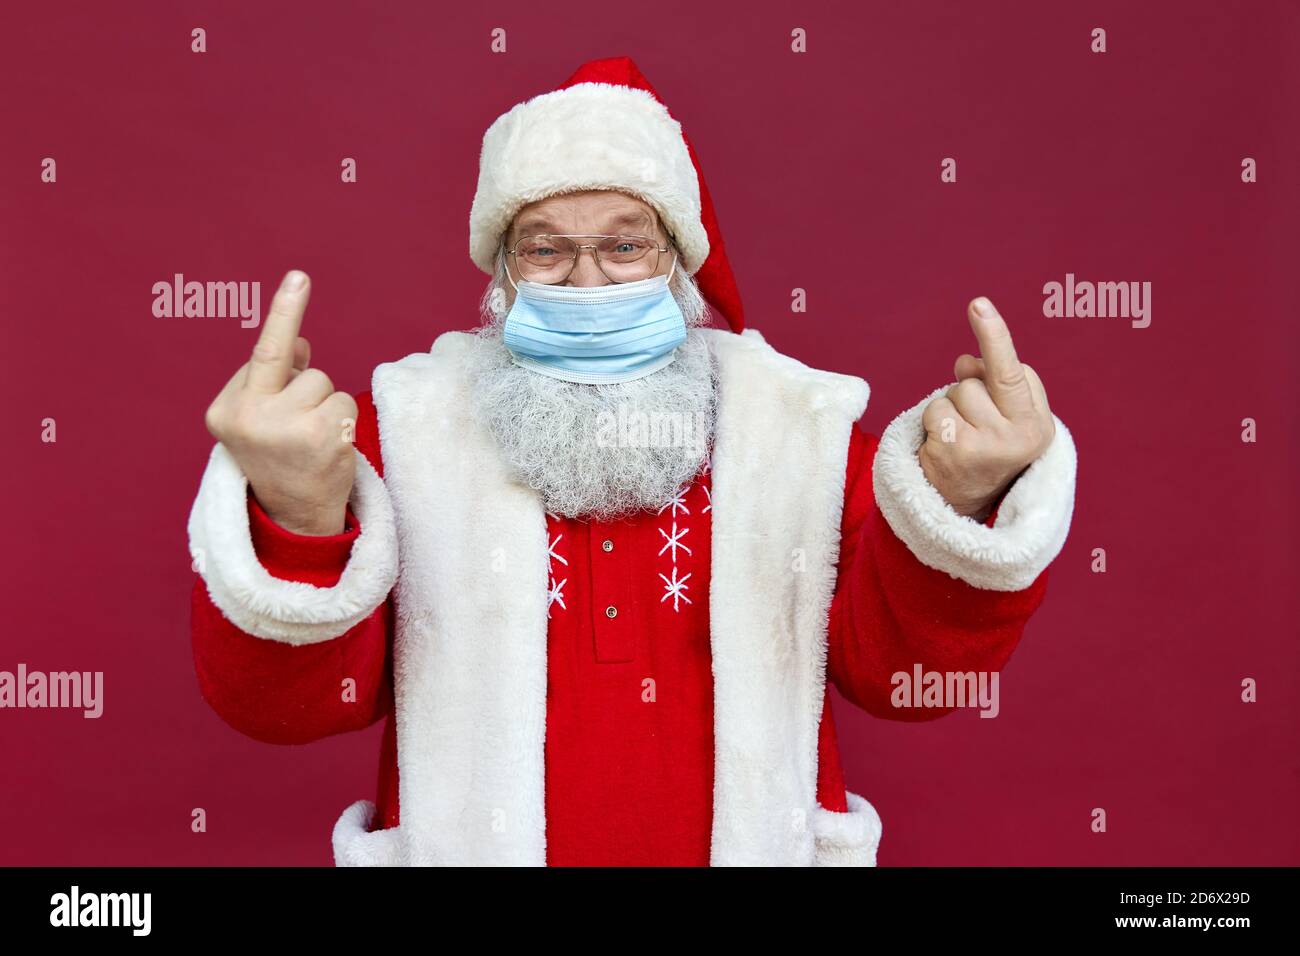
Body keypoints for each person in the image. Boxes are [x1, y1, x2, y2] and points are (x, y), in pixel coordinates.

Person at [187, 56, 1077, 866]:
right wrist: (300, 510)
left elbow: (901, 684)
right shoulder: (405, 431)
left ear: (680, 264)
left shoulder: (798, 429)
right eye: (544, 247)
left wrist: (960, 496)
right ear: (500, 274)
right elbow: (286, 709)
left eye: (624, 245)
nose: (587, 283)